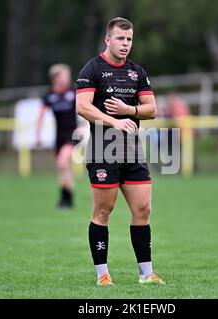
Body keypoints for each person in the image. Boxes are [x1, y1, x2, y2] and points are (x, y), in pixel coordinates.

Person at [75, 17, 165, 286]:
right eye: (120, 39)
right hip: (104, 149)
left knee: (143, 208)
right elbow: (82, 106)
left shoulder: (137, 72)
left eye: (129, 39)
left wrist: (130, 111)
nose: (125, 44)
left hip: (132, 149)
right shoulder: (92, 69)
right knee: (104, 211)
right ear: (108, 40)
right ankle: (102, 274)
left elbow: (152, 109)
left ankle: (146, 274)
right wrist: (114, 120)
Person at [36, 64, 77, 209]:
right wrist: (38, 134)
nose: (68, 78)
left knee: (62, 162)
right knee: (64, 169)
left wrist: (84, 124)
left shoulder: (73, 92)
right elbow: (40, 115)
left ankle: (66, 198)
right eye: (65, 75)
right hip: (58, 136)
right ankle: (67, 199)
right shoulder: (50, 95)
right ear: (56, 77)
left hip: (73, 134)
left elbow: (86, 107)